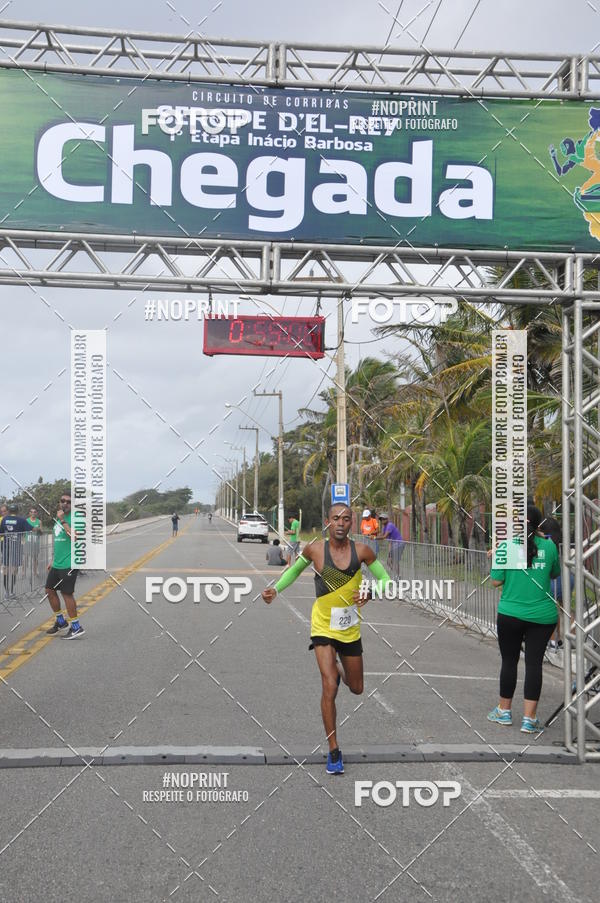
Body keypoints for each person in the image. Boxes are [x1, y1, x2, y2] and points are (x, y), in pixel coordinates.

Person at [262, 503, 392, 775]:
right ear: (328, 522)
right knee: (329, 685)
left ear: (352, 523)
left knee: (356, 688)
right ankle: (334, 750)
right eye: (336, 519)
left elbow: (385, 580)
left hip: (349, 629)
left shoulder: (363, 551)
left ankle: (340, 668)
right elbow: (294, 571)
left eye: (346, 519)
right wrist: (275, 589)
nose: (341, 523)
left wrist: (370, 593)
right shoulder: (315, 549)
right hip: (322, 626)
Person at [488, 504, 560, 733]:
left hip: (511, 613)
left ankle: (504, 711)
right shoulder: (549, 546)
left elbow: (496, 581)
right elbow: (554, 572)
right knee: (534, 664)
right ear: (539, 524)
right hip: (543, 615)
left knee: (509, 662)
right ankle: (529, 719)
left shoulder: (506, 546)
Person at [45, 491, 84, 638]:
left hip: (70, 563)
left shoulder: (76, 517)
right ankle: (61, 622)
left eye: (68, 502)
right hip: (58, 563)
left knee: (67, 594)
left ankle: (76, 627)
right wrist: (53, 559)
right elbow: (59, 540)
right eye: (63, 501)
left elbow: (74, 537)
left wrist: (63, 521)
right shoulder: (58, 517)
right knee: (49, 590)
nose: (65, 504)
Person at [0, 505, 33, 597]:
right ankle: (11, 592)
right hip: (16, 548)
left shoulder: (4, 519)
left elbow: (1, 532)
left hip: (6, 547)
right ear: (17, 511)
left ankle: (7, 593)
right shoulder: (21, 520)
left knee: (6, 569)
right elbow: (31, 529)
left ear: (9, 511)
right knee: (14, 570)